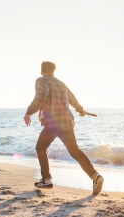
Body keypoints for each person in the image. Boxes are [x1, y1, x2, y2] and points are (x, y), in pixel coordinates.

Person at [24, 61, 104, 195]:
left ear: (41, 70)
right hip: (67, 122)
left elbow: (40, 96)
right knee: (74, 150)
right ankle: (95, 176)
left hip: (53, 123)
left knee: (40, 148)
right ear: (53, 71)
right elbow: (72, 99)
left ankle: (46, 180)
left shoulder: (41, 80)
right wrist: (80, 110)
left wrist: (29, 112)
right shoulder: (61, 84)